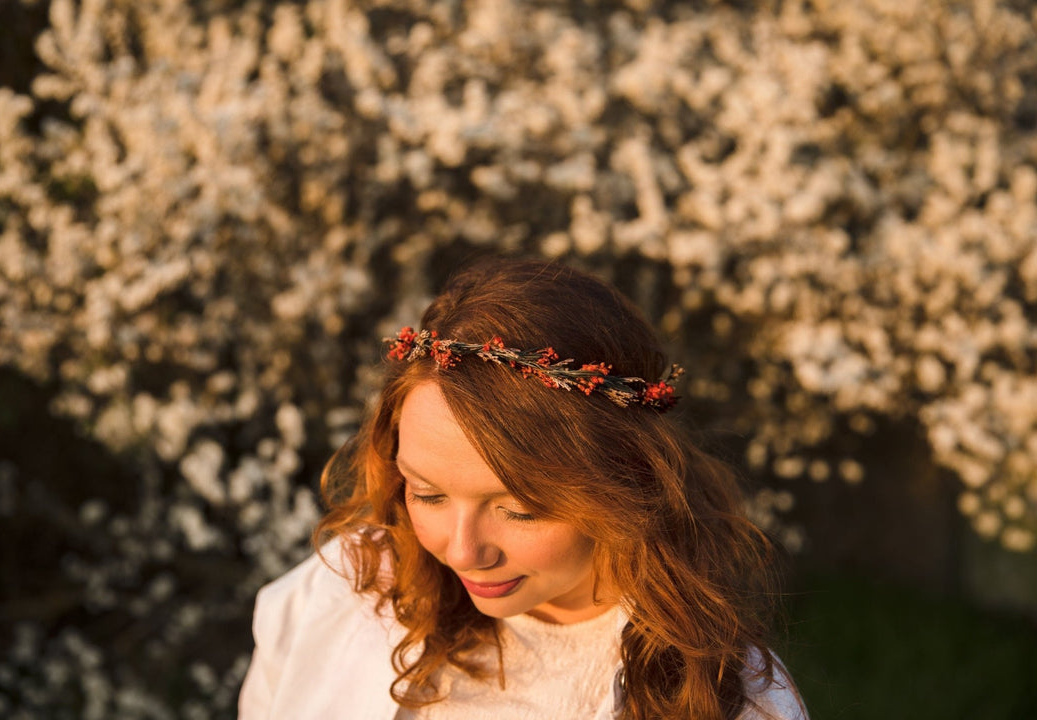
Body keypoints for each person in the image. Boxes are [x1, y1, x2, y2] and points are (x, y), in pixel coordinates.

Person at [238, 258, 808, 720]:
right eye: (427, 495)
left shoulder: (721, 703)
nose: (464, 551)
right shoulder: (345, 586)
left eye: (520, 511)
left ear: (623, 483)